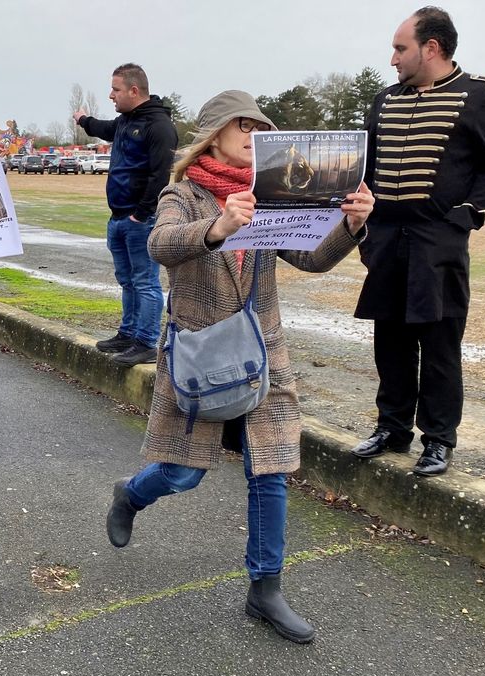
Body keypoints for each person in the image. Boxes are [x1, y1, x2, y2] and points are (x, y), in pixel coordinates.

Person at [104, 91, 374, 644]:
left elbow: (311, 258)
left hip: (263, 352)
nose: (251, 134)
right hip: (200, 354)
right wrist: (219, 227)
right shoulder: (184, 194)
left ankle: (265, 588)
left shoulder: (274, 194)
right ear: (214, 134)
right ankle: (131, 494)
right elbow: (160, 244)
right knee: (184, 471)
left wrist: (350, 225)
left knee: (269, 471)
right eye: (240, 125)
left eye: (259, 125)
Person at [350, 6, 485, 477]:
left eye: (400, 48)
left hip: (437, 243)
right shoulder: (383, 100)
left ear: (432, 48)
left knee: (440, 345)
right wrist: (365, 225)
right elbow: (364, 165)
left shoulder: (481, 95)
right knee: (391, 340)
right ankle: (393, 427)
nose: (393, 59)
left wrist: (463, 219)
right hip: (385, 239)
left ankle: (439, 438)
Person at [74, 63, 178, 366]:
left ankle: (145, 342)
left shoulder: (158, 126)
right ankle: (128, 333)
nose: (111, 95)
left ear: (134, 91)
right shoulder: (124, 122)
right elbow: (101, 127)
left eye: (116, 89)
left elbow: (160, 176)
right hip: (118, 217)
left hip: (139, 220)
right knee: (127, 280)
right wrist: (83, 119)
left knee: (145, 281)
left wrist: (141, 214)